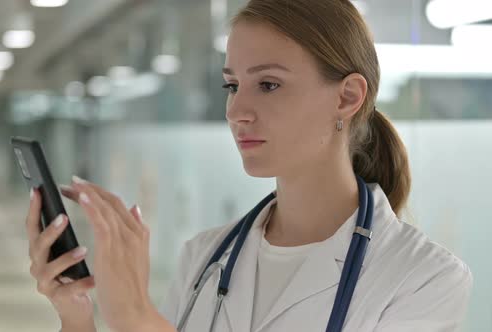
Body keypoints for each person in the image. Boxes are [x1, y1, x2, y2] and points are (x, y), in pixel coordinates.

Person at [24, 0, 473, 331]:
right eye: (232, 85)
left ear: (347, 96)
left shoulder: (424, 280)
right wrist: (77, 316)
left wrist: (137, 317)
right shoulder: (203, 257)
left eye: (269, 84)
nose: (237, 109)